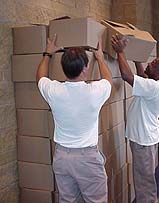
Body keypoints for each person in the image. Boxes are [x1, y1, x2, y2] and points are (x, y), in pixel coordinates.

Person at [36, 34, 112, 203]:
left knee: (67, 200)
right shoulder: (95, 92)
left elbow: (40, 77)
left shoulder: (54, 91)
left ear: (64, 68)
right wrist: (99, 59)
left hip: (62, 157)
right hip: (87, 159)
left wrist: (47, 53)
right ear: (85, 68)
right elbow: (108, 79)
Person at [111, 34, 159, 203]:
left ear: (158, 74)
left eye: (152, 65)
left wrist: (120, 52)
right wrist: (138, 58)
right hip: (146, 139)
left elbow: (127, 76)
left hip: (144, 142)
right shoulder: (156, 83)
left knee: (144, 184)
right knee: (146, 178)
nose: (148, 64)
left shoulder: (153, 87)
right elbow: (142, 76)